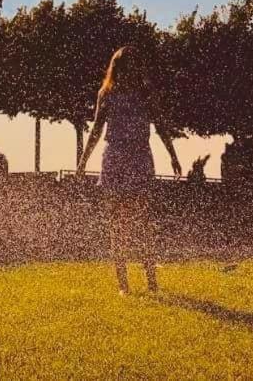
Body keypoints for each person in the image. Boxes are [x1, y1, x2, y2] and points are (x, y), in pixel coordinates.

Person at [77, 45, 183, 295]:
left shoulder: (146, 94)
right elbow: (96, 130)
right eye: (124, 68)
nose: (129, 73)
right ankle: (124, 286)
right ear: (118, 69)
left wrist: (173, 155)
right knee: (118, 224)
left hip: (139, 157)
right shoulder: (107, 93)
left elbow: (160, 126)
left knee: (143, 222)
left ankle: (152, 282)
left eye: (133, 68)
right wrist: (83, 162)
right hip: (115, 158)